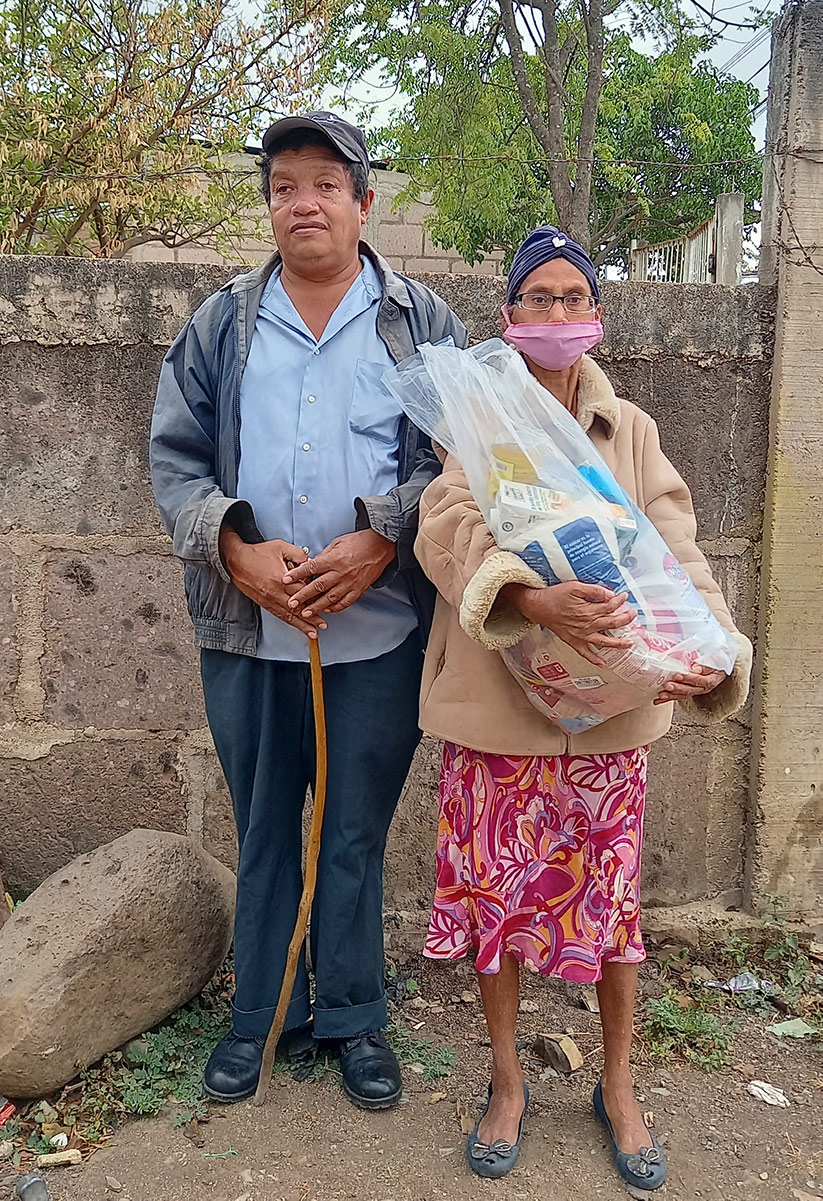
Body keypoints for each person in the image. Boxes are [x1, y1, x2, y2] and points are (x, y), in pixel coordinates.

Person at [415, 225, 752, 1187]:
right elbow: (447, 525)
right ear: (507, 315)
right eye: (539, 299)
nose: (557, 316)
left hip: (609, 709)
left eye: (573, 298)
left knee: (609, 911)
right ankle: (509, 1082)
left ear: (595, 313)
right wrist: (525, 597)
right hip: (499, 707)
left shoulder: (630, 429)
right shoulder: (476, 417)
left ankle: (616, 1084)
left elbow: (676, 547)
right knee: (495, 902)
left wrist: (711, 650)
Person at [149, 111, 467, 1109]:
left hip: (378, 634)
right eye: (286, 185)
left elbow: (460, 462)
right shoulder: (224, 323)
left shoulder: (420, 323)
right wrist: (234, 549)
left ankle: (354, 1019)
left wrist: (381, 538)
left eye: (327, 183)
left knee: (354, 833)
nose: (306, 202)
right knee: (263, 828)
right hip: (249, 631)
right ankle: (263, 1018)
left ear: (364, 203)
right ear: (270, 207)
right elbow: (175, 459)